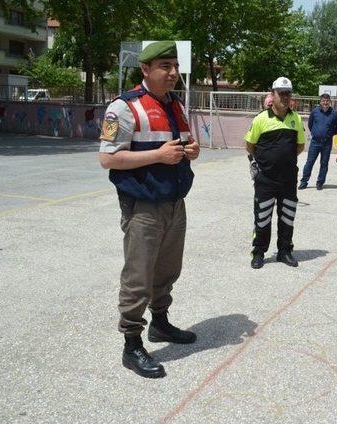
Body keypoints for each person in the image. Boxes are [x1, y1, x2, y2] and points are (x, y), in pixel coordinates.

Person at [98, 41, 200, 379]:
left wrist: (191, 150)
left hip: (174, 201)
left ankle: (160, 324)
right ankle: (131, 344)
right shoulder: (123, 107)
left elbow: (182, 146)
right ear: (145, 69)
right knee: (138, 275)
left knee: (167, 270)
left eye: (175, 66)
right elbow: (108, 158)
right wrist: (157, 155)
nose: (173, 73)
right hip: (143, 204)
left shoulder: (175, 105)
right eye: (165, 66)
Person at [245, 77, 306, 269]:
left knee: (287, 217)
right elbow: (250, 145)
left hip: (288, 180)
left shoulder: (296, 118)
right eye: (282, 93)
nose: (285, 97)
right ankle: (259, 253)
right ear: (273, 94)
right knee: (262, 217)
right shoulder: (261, 119)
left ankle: (285, 251)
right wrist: (266, 163)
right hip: (266, 179)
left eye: (288, 93)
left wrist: (283, 161)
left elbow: (300, 145)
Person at [299, 93, 337, 190]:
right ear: (320, 102)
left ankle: (320, 183)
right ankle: (304, 182)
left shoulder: (334, 114)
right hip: (315, 142)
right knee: (309, 162)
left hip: (327, 143)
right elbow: (310, 124)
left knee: (324, 163)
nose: (325, 103)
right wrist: (315, 133)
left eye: (327, 101)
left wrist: (330, 134)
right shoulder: (315, 112)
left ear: (330, 102)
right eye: (323, 101)